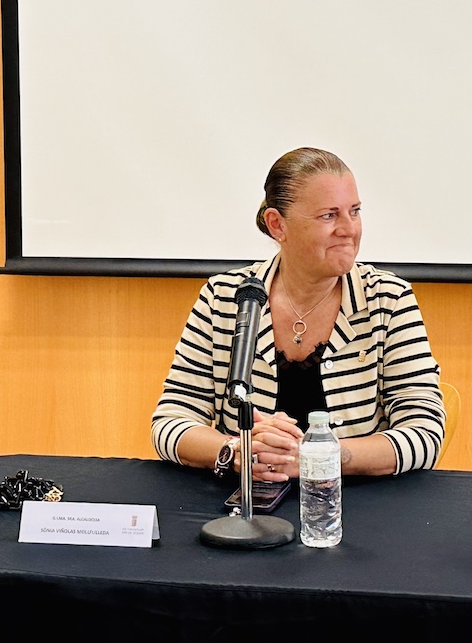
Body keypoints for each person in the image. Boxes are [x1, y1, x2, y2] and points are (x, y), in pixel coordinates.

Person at [152, 148, 445, 482]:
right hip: (242, 509)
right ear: (278, 225)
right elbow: (169, 423)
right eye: (329, 216)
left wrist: (319, 456)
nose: (349, 229)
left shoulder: (388, 300)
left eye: (355, 211)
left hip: (354, 510)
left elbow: (425, 435)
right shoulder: (225, 298)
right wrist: (236, 450)